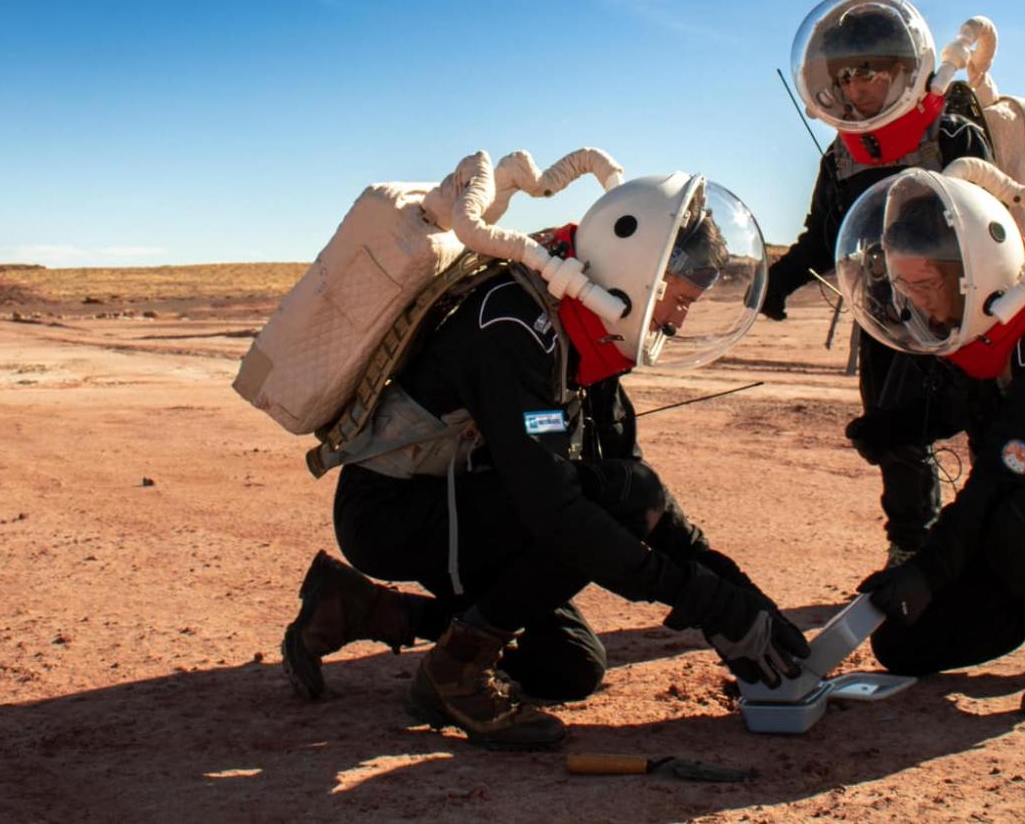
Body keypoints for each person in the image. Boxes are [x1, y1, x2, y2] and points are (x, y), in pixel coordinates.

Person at [283, 172, 807, 748]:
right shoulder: (512, 323)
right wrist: (710, 604)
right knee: (592, 506)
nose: (676, 323)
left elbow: (644, 497)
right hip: (396, 512)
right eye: (679, 300)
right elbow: (564, 512)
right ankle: (452, 677)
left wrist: (739, 593)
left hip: (468, 501)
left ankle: (361, 609)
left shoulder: (588, 327)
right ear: (639, 272)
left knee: (568, 666)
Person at [833, 165, 1025, 719]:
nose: (918, 304)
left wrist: (928, 568)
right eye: (906, 288)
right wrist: (892, 430)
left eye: (926, 287)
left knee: (1024, 518)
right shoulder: (986, 324)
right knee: (903, 645)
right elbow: (963, 405)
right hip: (1012, 515)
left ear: (972, 273)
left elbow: (1004, 470)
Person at [764, 0, 993, 562]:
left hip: (962, 310)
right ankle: (911, 549)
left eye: (864, 73)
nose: (852, 89)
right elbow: (822, 236)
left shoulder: (953, 133)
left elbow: (995, 222)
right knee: (895, 434)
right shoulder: (842, 157)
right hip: (886, 316)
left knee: (990, 425)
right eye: (841, 78)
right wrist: (776, 283)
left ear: (900, 70)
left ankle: (996, 541)